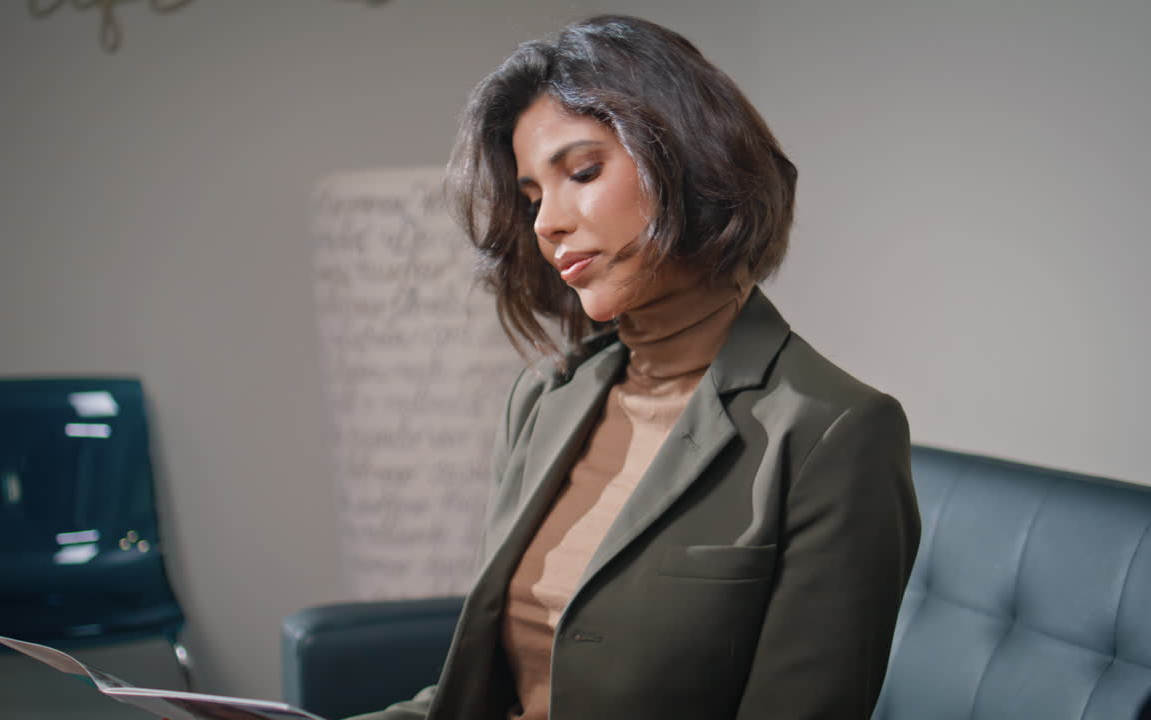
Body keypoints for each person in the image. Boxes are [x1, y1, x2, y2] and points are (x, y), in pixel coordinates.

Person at [349, 14, 920, 720]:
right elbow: (478, 697)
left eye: (582, 172)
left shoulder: (835, 433)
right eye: (531, 199)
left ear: (687, 157)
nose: (546, 224)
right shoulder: (542, 399)